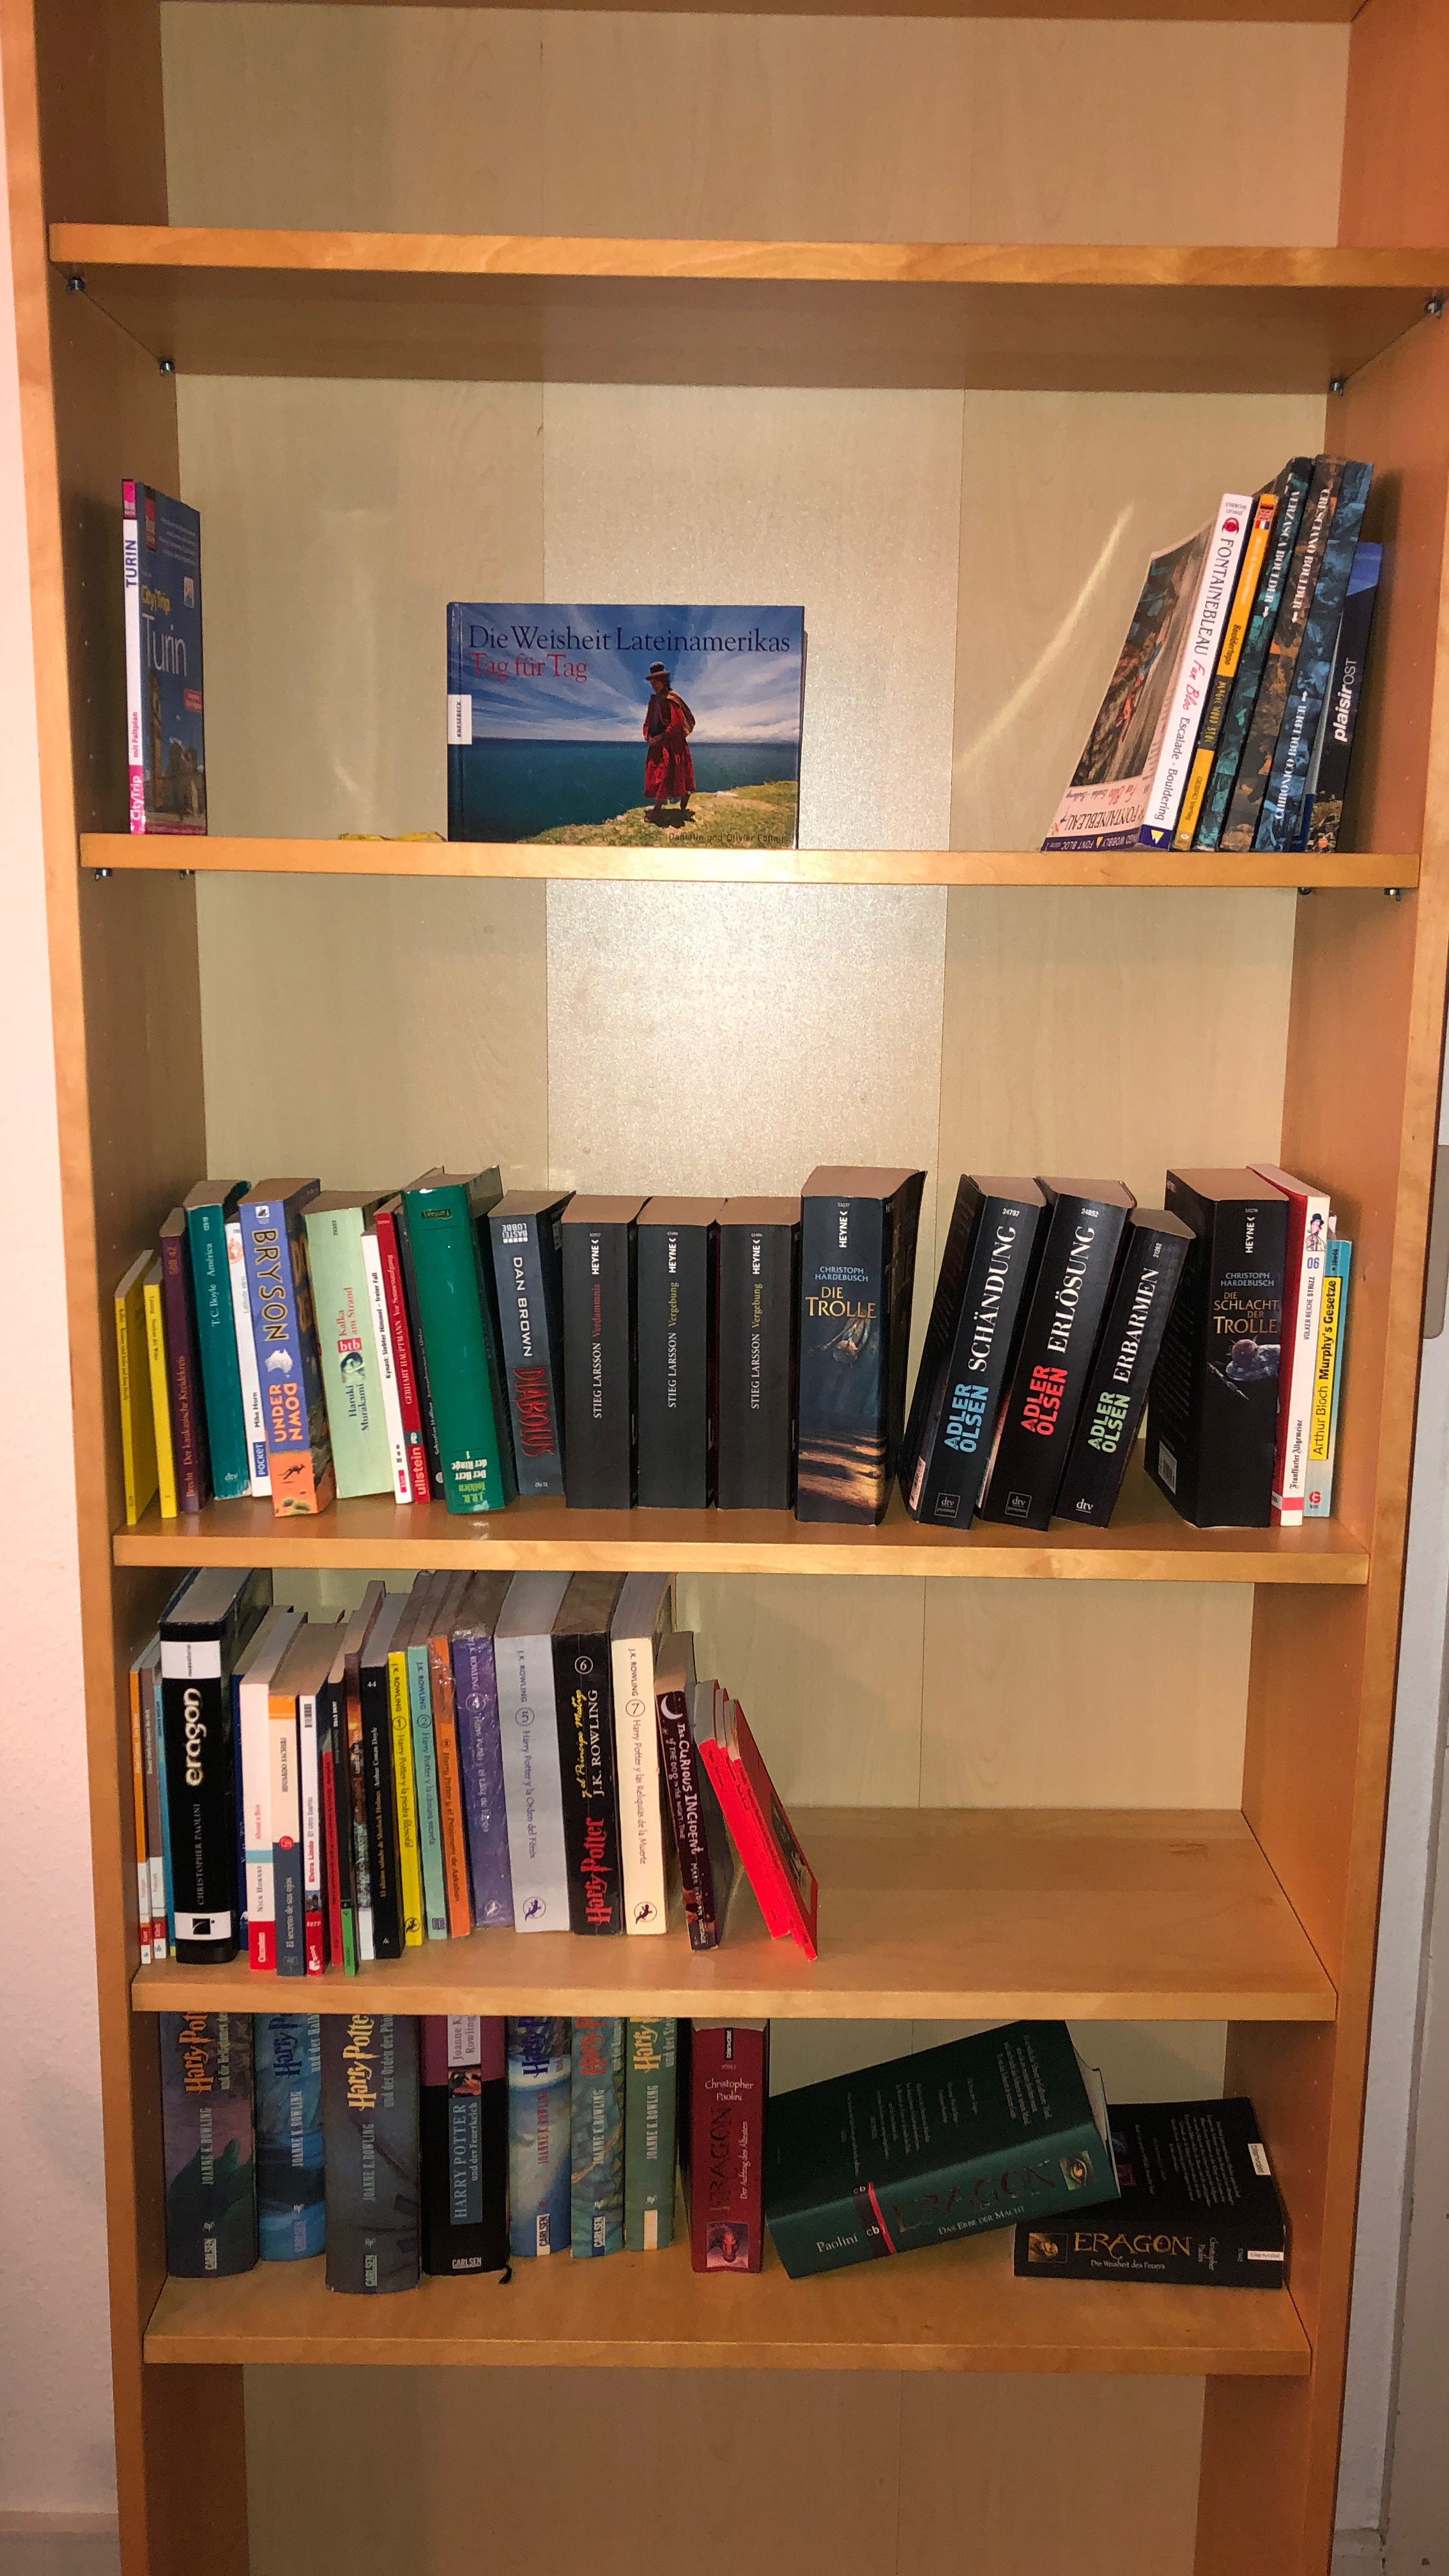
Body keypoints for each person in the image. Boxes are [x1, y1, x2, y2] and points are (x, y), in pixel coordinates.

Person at [643, 661, 696, 824]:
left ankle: (658, 810)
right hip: (658, 745)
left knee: (665, 776)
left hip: (672, 745)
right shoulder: (654, 701)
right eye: (651, 682)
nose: (653, 685)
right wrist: (647, 735)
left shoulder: (672, 699)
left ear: (663, 681)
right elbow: (648, 721)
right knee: (662, 775)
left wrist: (660, 737)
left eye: (655, 681)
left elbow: (677, 724)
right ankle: (683, 795)